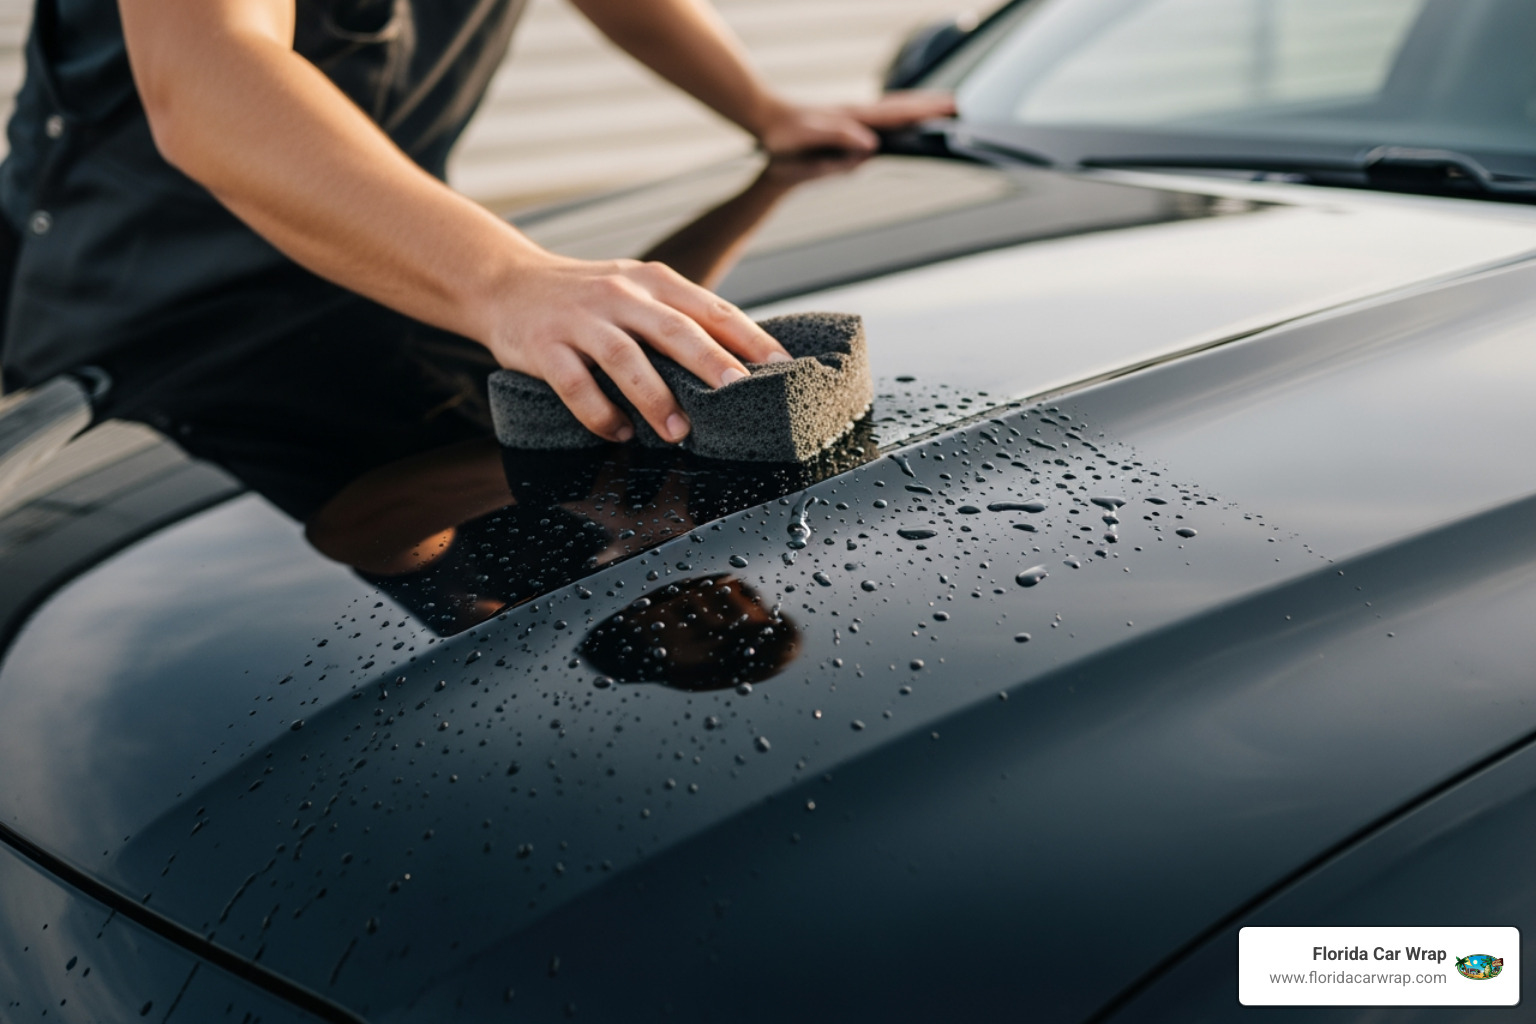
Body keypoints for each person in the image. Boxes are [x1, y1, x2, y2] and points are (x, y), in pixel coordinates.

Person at [0, 0, 952, 449]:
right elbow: (208, 74)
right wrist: (503, 279)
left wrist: (766, 111)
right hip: (148, 350)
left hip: (392, 296)